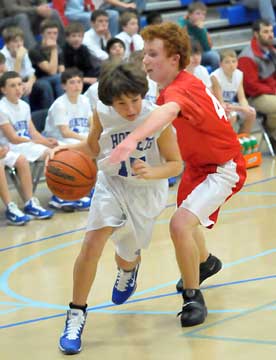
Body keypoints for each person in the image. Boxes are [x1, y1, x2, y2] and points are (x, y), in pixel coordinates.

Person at [109, 22, 247, 328]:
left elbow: (167, 113)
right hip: (198, 166)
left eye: (153, 54)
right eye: (145, 54)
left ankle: (192, 296)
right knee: (187, 219)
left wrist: (131, 141)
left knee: (179, 224)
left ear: (174, 59)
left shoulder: (180, 88)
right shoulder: (172, 85)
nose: (146, 60)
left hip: (223, 168)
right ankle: (206, 263)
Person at [56, 61, 182, 354]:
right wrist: (61, 153)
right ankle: (76, 313)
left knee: (126, 255)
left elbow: (176, 163)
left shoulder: (155, 117)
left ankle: (130, 266)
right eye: (122, 103)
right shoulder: (101, 114)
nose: (130, 109)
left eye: (135, 100)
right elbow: (92, 149)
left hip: (146, 191)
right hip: (111, 184)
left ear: (142, 94)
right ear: (110, 103)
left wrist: (153, 172)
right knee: (92, 243)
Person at [0, 72, 56, 220]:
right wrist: (37, 142)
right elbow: (13, 137)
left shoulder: (24, 105)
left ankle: (57, 195)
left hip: (25, 144)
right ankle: (26, 202)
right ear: (3, 90)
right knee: (27, 159)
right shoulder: (2, 108)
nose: (18, 88)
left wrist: (46, 141)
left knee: (55, 152)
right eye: (12, 86)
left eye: (20, 84)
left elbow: (32, 131)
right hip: (12, 146)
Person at [44, 67, 93, 210]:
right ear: (63, 86)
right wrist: (86, 140)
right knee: (84, 148)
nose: (77, 85)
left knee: (98, 144)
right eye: (72, 82)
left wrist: (94, 135)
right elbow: (65, 132)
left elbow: (92, 123)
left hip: (77, 139)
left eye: (79, 82)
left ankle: (89, 187)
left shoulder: (84, 100)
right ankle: (60, 195)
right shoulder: (60, 104)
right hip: (58, 140)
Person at [238, 19, 276, 148]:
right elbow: (251, 87)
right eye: (265, 32)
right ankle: (273, 135)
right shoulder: (247, 57)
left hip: (270, 90)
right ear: (256, 34)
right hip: (255, 97)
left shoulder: (271, 51)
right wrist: (273, 90)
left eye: (271, 31)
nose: (270, 35)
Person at [211, 49, 256, 134]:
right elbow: (221, 104)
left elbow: (242, 98)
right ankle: (226, 142)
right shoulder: (215, 77)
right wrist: (241, 108)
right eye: (227, 62)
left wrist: (245, 108)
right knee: (232, 116)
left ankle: (243, 139)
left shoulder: (239, 74)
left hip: (230, 104)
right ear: (220, 64)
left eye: (234, 61)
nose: (231, 65)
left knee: (251, 113)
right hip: (216, 105)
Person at [29, 19, 65, 111]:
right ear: (42, 34)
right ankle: (51, 112)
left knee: (62, 78)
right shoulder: (35, 50)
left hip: (55, 78)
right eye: (49, 33)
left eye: (55, 33)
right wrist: (53, 49)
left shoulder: (59, 49)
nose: (52, 36)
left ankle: (65, 109)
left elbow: (61, 69)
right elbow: (51, 71)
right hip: (37, 80)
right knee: (48, 83)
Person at [84, 37, 126, 110]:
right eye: (114, 48)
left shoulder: (129, 66)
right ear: (109, 52)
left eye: (120, 47)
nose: (118, 49)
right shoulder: (104, 66)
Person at [178, 1, 220, 69]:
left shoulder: (202, 28)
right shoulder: (181, 25)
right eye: (198, 13)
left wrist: (201, 31)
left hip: (199, 55)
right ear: (189, 15)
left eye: (203, 14)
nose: (201, 17)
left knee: (214, 56)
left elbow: (207, 48)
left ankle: (213, 78)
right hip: (185, 55)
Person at [62, 21, 101, 92]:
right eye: (73, 36)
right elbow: (66, 71)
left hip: (83, 75)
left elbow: (89, 67)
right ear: (67, 38)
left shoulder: (84, 49)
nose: (77, 39)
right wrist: (85, 79)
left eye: (79, 36)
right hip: (71, 77)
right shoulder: (64, 51)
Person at [0, 26, 36, 101]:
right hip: (10, 86)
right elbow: (11, 79)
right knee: (20, 90)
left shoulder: (23, 52)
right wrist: (18, 58)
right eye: (15, 41)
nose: (19, 44)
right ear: (7, 44)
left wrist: (30, 83)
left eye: (21, 41)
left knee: (44, 85)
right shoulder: (2, 56)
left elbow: (31, 73)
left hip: (24, 81)